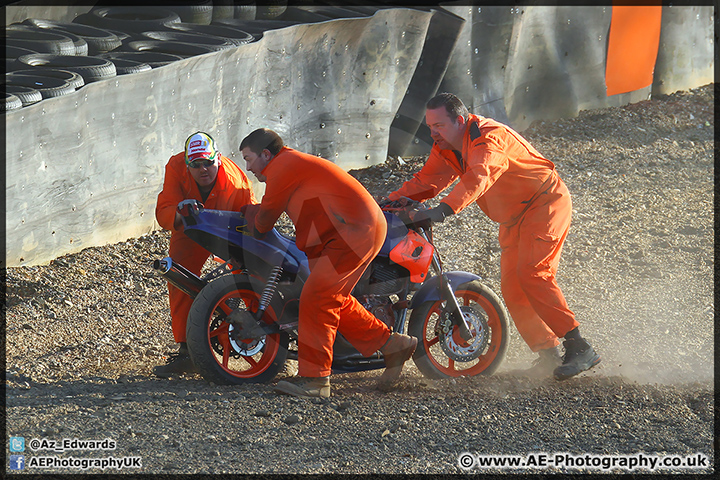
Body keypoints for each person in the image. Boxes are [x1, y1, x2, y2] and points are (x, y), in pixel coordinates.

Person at [385, 93, 600, 380]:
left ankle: (579, 345)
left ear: (460, 121)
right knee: (513, 287)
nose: (432, 132)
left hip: (544, 203)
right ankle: (548, 355)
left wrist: (443, 211)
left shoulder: (489, 139)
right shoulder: (447, 145)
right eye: (429, 126)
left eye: (438, 125)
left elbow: (480, 176)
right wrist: (386, 204)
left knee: (533, 274)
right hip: (514, 217)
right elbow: (427, 181)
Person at [239, 128, 417, 397]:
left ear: (266, 154)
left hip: (354, 232)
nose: (248, 167)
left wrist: (245, 210)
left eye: (249, 159)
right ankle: (392, 344)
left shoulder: (282, 166)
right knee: (332, 298)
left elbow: (264, 222)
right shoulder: (290, 164)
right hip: (353, 231)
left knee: (316, 296)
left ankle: (315, 381)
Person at [154, 131, 256, 377]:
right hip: (189, 225)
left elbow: (251, 223)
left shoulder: (236, 183)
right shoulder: (175, 166)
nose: (203, 170)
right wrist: (182, 215)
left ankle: (273, 342)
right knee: (177, 273)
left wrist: (240, 254)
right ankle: (187, 351)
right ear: (187, 163)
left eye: (208, 163)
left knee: (252, 276)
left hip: (230, 224)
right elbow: (164, 211)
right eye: (196, 165)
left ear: (218, 159)